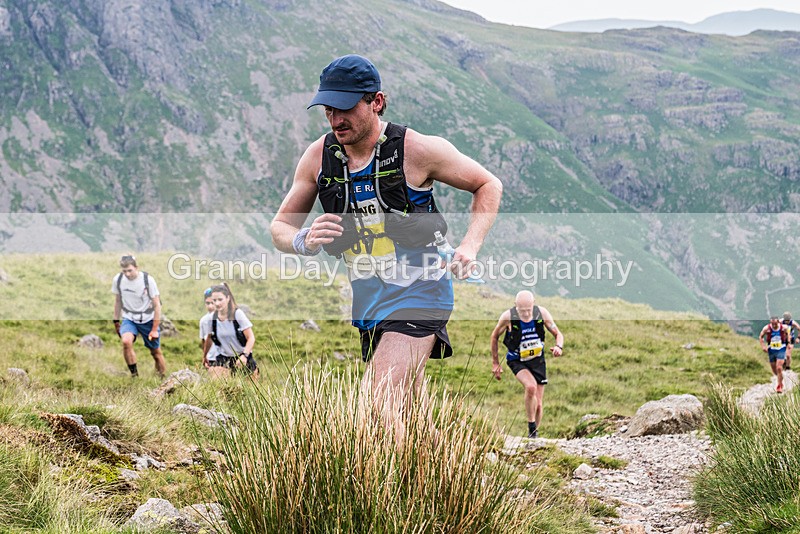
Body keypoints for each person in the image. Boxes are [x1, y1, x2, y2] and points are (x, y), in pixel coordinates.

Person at [270, 54, 502, 437]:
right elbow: (279, 227)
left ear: (376, 102)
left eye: (345, 108)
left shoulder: (418, 150)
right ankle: (431, 486)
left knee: (376, 403)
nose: (335, 119)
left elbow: (488, 184)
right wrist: (303, 239)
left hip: (421, 293)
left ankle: (379, 493)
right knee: (408, 412)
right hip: (370, 302)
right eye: (328, 109)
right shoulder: (318, 157)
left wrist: (470, 245)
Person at [490, 290, 564, 438]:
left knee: (539, 404)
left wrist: (558, 347)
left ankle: (534, 436)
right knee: (530, 387)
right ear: (515, 306)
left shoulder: (542, 313)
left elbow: (558, 334)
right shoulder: (508, 317)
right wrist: (496, 363)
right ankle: (531, 427)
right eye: (521, 310)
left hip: (537, 360)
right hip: (517, 360)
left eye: (528, 310)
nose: (525, 314)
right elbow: (494, 336)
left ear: (533, 304)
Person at [112, 255, 166, 378]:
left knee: (155, 352)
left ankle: (161, 378)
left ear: (136, 268)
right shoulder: (118, 280)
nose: (127, 274)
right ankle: (134, 375)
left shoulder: (147, 280)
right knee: (126, 341)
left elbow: (157, 305)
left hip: (148, 319)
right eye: (124, 271)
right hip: (129, 318)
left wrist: (154, 329)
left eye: (130, 270)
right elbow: (118, 301)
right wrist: (116, 321)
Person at [202, 283, 259, 378]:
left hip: (242, 357)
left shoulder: (238, 314)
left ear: (227, 298)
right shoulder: (211, 318)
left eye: (220, 299)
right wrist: (205, 356)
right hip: (224, 358)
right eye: (214, 300)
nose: (217, 303)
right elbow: (209, 338)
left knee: (247, 389)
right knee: (218, 383)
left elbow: (251, 338)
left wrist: (244, 356)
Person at [759, 316, 790, 393]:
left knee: (779, 367)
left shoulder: (784, 327)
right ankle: (780, 378)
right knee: (774, 370)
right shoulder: (767, 328)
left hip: (781, 349)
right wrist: (763, 346)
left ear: (778, 322)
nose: (774, 325)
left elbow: (788, 332)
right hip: (771, 350)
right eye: (772, 323)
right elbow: (761, 336)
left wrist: (788, 342)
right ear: (770, 322)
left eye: (775, 323)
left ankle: (779, 386)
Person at [199, 287, 222, 375]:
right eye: (207, 303)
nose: (210, 306)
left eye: (212, 303)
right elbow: (203, 340)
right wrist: (205, 356)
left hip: (222, 355)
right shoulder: (203, 320)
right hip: (211, 357)